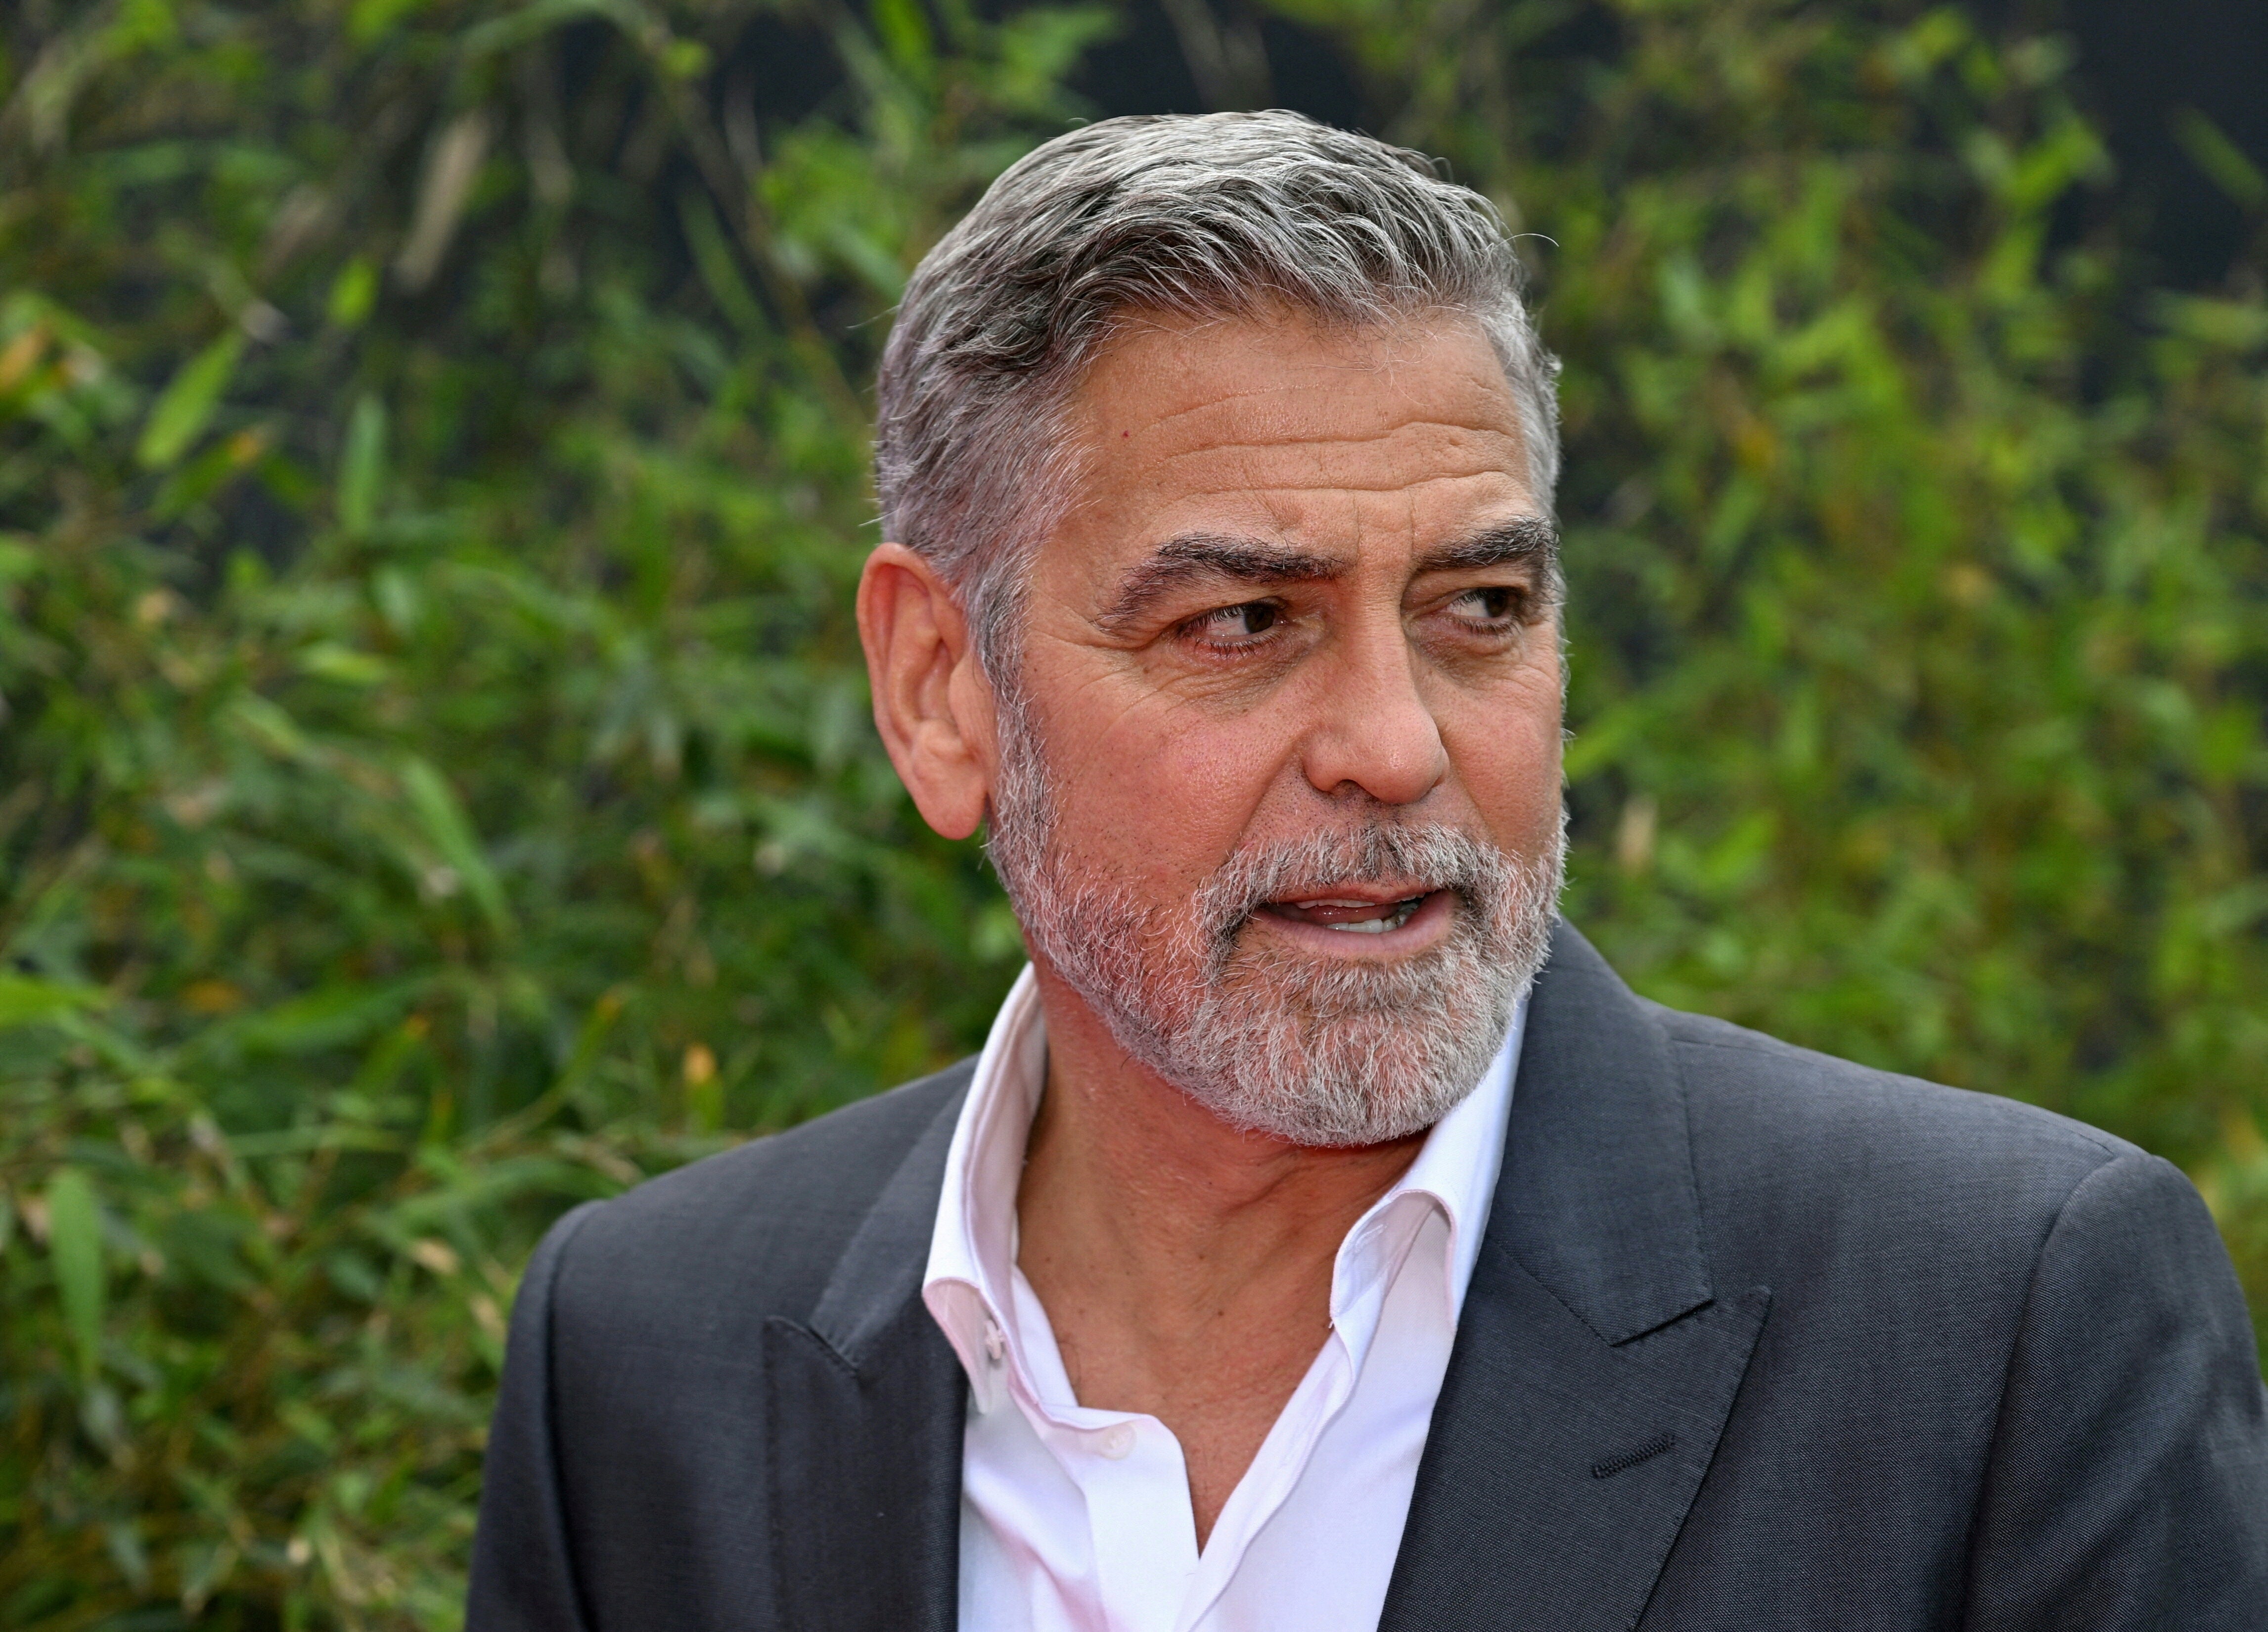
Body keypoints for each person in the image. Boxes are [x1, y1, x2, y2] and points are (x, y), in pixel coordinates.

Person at [465, 111, 2268, 1632]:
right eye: (1244, 620)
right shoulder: (647, 1354)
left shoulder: (1996, 1325)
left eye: (1478, 608)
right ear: (943, 692)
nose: (1397, 745)